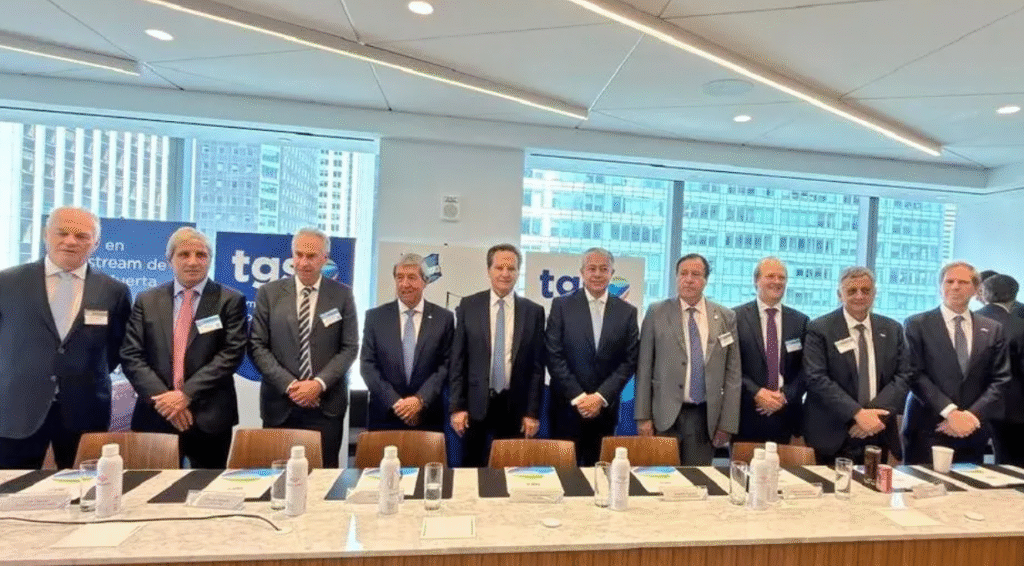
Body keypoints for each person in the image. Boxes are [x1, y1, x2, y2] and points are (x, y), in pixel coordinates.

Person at [0, 207, 131, 469]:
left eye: (81, 236)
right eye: (62, 233)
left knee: (84, 487)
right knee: (11, 488)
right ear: (45, 235)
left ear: (96, 243)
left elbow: (118, 348)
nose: (70, 241)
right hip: (17, 407)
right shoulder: (7, 283)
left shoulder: (114, 291)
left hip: (85, 409)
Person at [121, 227, 246, 468]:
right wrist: (166, 402)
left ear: (210, 259)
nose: (193, 262)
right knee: (151, 486)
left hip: (210, 417)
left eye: (201, 255)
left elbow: (231, 354)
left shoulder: (230, 300)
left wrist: (185, 395)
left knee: (207, 486)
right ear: (170, 260)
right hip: (157, 414)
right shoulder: (147, 300)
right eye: (184, 254)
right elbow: (131, 354)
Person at [249, 227, 358, 468]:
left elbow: (350, 347)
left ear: (324, 258)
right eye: (299, 255)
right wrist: (292, 386)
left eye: (311, 256)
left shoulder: (342, 295)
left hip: (325, 407)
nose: (304, 262)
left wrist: (317, 384)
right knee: (277, 476)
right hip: (280, 405)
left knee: (323, 477)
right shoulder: (269, 293)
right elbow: (257, 345)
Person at [635, 253, 740, 465]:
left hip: (704, 418)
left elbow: (733, 374)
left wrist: (727, 424)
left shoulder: (725, 317)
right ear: (676, 277)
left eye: (696, 274)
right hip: (663, 416)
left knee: (697, 478)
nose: (689, 279)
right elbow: (644, 367)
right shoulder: (656, 312)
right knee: (661, 478)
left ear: (706, 280)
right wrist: (643, 417)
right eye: (683, 273)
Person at [902, 261, 1011, 465]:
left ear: (976, 289)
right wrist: (951, 413)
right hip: (928, 428)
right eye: (949, 281)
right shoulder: (917, 324)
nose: (955, 287)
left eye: (963, 282)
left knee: (968, 485)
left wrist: (970, 416)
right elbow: (913, 374)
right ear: (940, 287)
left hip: (973, 429)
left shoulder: (992, 329)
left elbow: (1001, 379)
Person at [448, 244, 545, 467]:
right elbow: (458, 361)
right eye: (499, 267)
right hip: (475, 406)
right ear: (489, 270)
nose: (505, 273)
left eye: (511, 268)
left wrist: (532, 413)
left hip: (515, 407)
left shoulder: (533, 312)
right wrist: (457, 407)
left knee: (511, 469)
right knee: (472, 470)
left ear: (518, 272)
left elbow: (537, 367)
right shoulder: (469, 306)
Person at [802, 267, 912, 464]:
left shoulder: (892, 329)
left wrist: (872, 416)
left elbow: (903, 376)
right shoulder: (820, 328)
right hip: (833, 432)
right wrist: (857, 414)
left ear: (874, 293)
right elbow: (816, 378)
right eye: (852, 291)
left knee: (874, 484)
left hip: (878, 429)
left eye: (865, 290)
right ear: (839, 294)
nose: (859, 296)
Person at [546, 248, 638, 465]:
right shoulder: (561, 306)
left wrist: (600, 397)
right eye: (592, 268)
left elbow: (629, 360)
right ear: (582, 272)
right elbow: (553, 355)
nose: (597, 274)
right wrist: (579, 398)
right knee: (564, 473)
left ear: (611, 273)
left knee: (600, 472)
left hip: (605, 410)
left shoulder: (627, 312)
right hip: (566, 408)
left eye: (603, 269)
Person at [360, 253, 454, 431]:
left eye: (411, 277)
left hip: (427, 416)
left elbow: (446, 365)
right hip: (385, 415)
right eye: (399, 277)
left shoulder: (444, 319)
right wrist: (397, 404)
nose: (404, 284)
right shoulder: (375, 318)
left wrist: (420, 400)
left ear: (425, 282)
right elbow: (367, 365)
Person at [733, 257, 809, 444]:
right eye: (770, 276)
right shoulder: (735, 318)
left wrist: (784, 396)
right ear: (756, 280)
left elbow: (807, 369)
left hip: (786, 414)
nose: (777, 281)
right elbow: (729, 366)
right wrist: (756, 392)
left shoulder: (800, 321)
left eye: (781, 277)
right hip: (746, 414)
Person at [976, 274, 1024, 466]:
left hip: (972, 404)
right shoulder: (1020, 324)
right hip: (1014, 408)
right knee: (1012, 464)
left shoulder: (971, 320)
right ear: (1014, 295)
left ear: (984, 293)